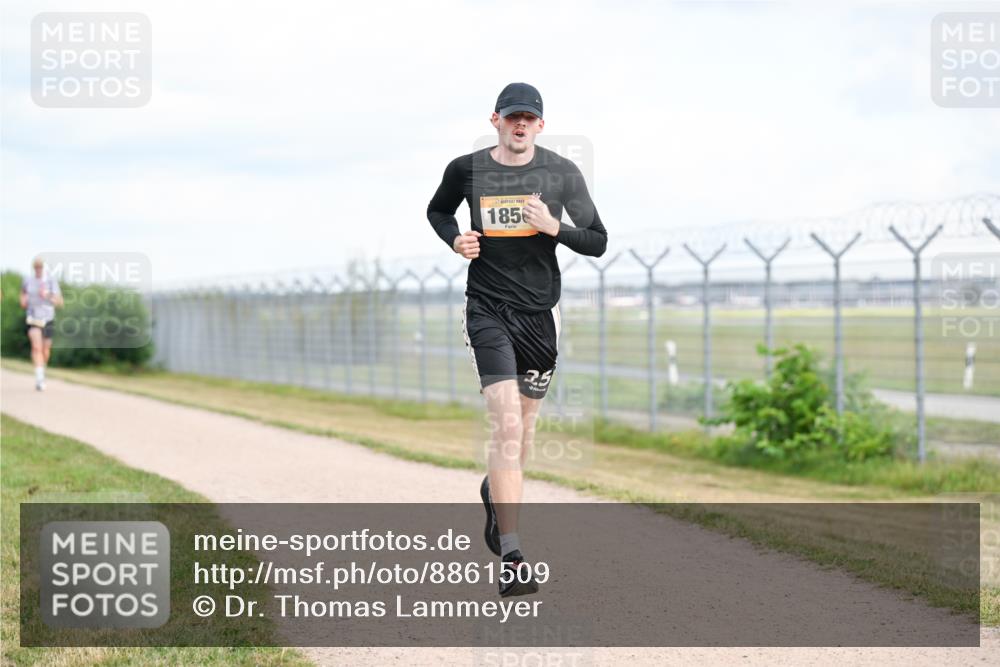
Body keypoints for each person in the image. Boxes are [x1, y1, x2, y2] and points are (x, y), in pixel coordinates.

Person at [427, 83, 607, 597]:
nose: (520, 125)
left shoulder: (560, 173)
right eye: (512, 118)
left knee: (522, 437)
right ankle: (513, 556)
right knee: (505, 424)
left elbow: (598, 240)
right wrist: (454, 238)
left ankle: (494, 494)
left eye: (529, 118)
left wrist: (554, 228)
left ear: (541, 125)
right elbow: (438, 211)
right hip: (486, 309)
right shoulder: (466, 169)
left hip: (538, 318)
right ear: (496, 121)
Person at [20, 257, 63, 391]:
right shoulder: (28, 280)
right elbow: (22, 295)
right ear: (34, 268)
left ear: (44, 268)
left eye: (40, 267)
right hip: (33, 318)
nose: (38, 269)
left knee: (45, 350)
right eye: (36, 267)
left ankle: (41, 369)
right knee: (36, 348)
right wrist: (23, 300)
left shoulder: (51, 281)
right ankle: (40, 379)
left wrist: (47, 295)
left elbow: (60, 302)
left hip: (48, 318)